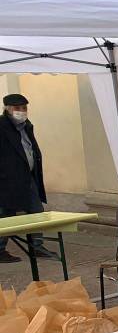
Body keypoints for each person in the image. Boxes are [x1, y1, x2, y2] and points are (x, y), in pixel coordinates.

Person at [0, 93, 59, 263]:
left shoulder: (26, 125)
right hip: (7, 180)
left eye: (24, 108)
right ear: (8, 109)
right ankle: (0, 249)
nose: (22, 111)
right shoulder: (2, 126)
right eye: (17, 108)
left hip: (27, 177)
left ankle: (37, 246)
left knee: (36, 210)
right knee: (6, 214)